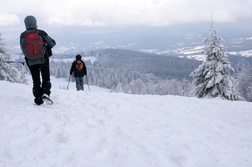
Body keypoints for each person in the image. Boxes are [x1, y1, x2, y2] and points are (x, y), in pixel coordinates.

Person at [20, 15, 56, 105]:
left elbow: (23, 48)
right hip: (43, 59)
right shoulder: (40, 33)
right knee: (45, 77)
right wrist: (46, 48)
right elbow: (52, 43)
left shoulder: (23, 35)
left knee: (35, 80)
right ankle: (46, 93)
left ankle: (38, 98)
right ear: (35, 22)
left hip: (31, 61)